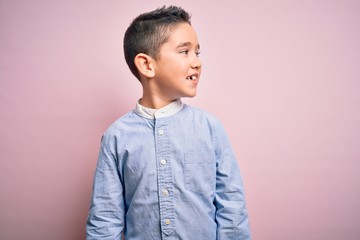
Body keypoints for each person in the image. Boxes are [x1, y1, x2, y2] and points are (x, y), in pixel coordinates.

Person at [86, 5, 251, 239]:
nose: (197, 62)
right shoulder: (116, 137)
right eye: (184, 51)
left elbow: (232, 209)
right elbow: (105, 219)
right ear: (147, 65)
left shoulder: (210, 128)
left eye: (197, 52)